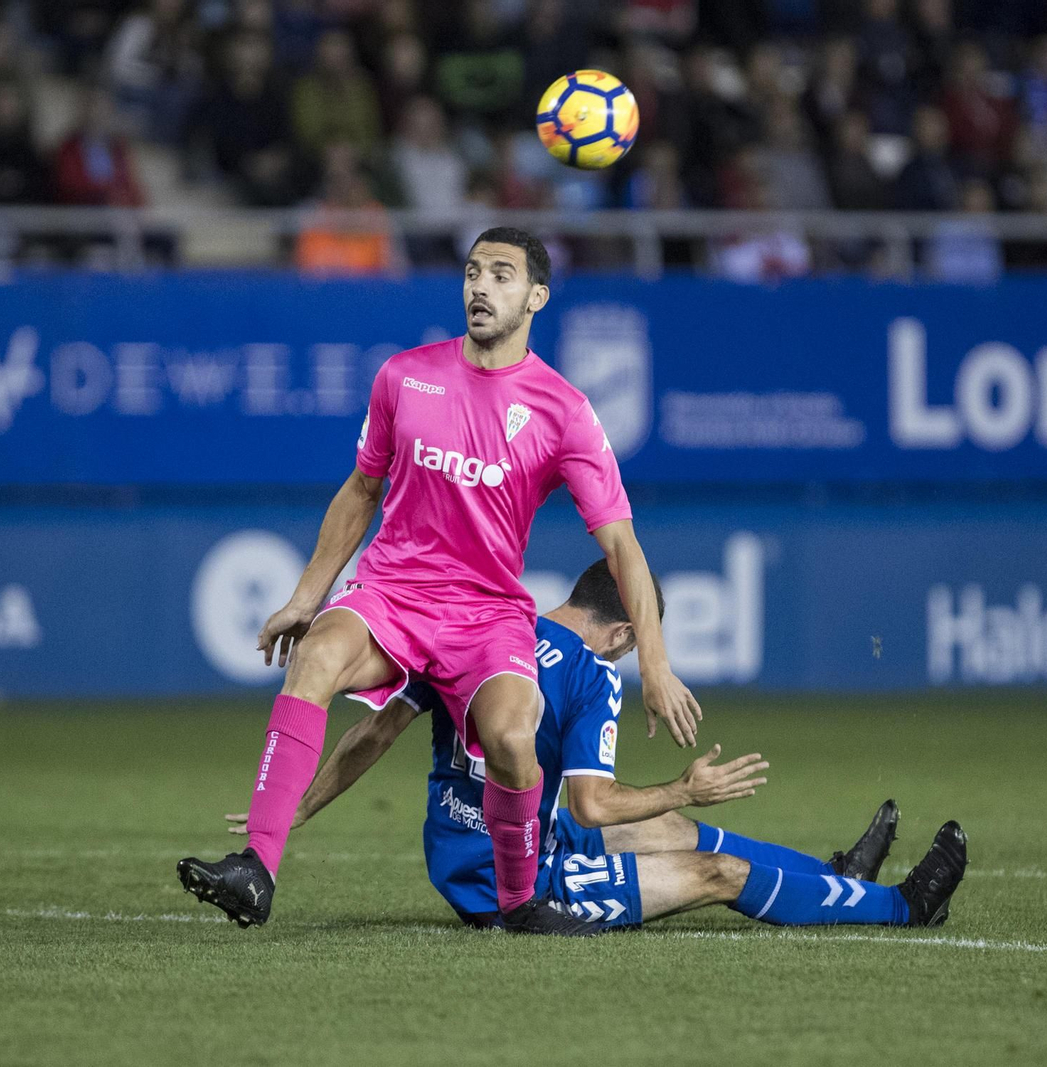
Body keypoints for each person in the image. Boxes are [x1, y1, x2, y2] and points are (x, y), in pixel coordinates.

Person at [178, 228, 702, 936]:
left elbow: (623, 548)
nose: (481, 287)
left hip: (485, 615)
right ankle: (257, 867)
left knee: (517, 739)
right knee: (318, 655)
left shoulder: (564, 410)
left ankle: (519, 903)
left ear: (536, 296)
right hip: (393, 594)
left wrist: (658, 663)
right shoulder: (404, 376)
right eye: (473, 271)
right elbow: (361, 491)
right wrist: (307, 597)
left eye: (503, 275)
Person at [227, 562, 969, 931]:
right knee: (716, 868)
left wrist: (290, 812)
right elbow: (591, 799)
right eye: (632, 644)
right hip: (515, 879)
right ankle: (902, 907)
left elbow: (373, 731)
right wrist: (685, 784)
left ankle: (840, 874)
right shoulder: (590, 673)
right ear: (620, 634)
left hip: (461, 848)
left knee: (669, 830)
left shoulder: (485, 628)